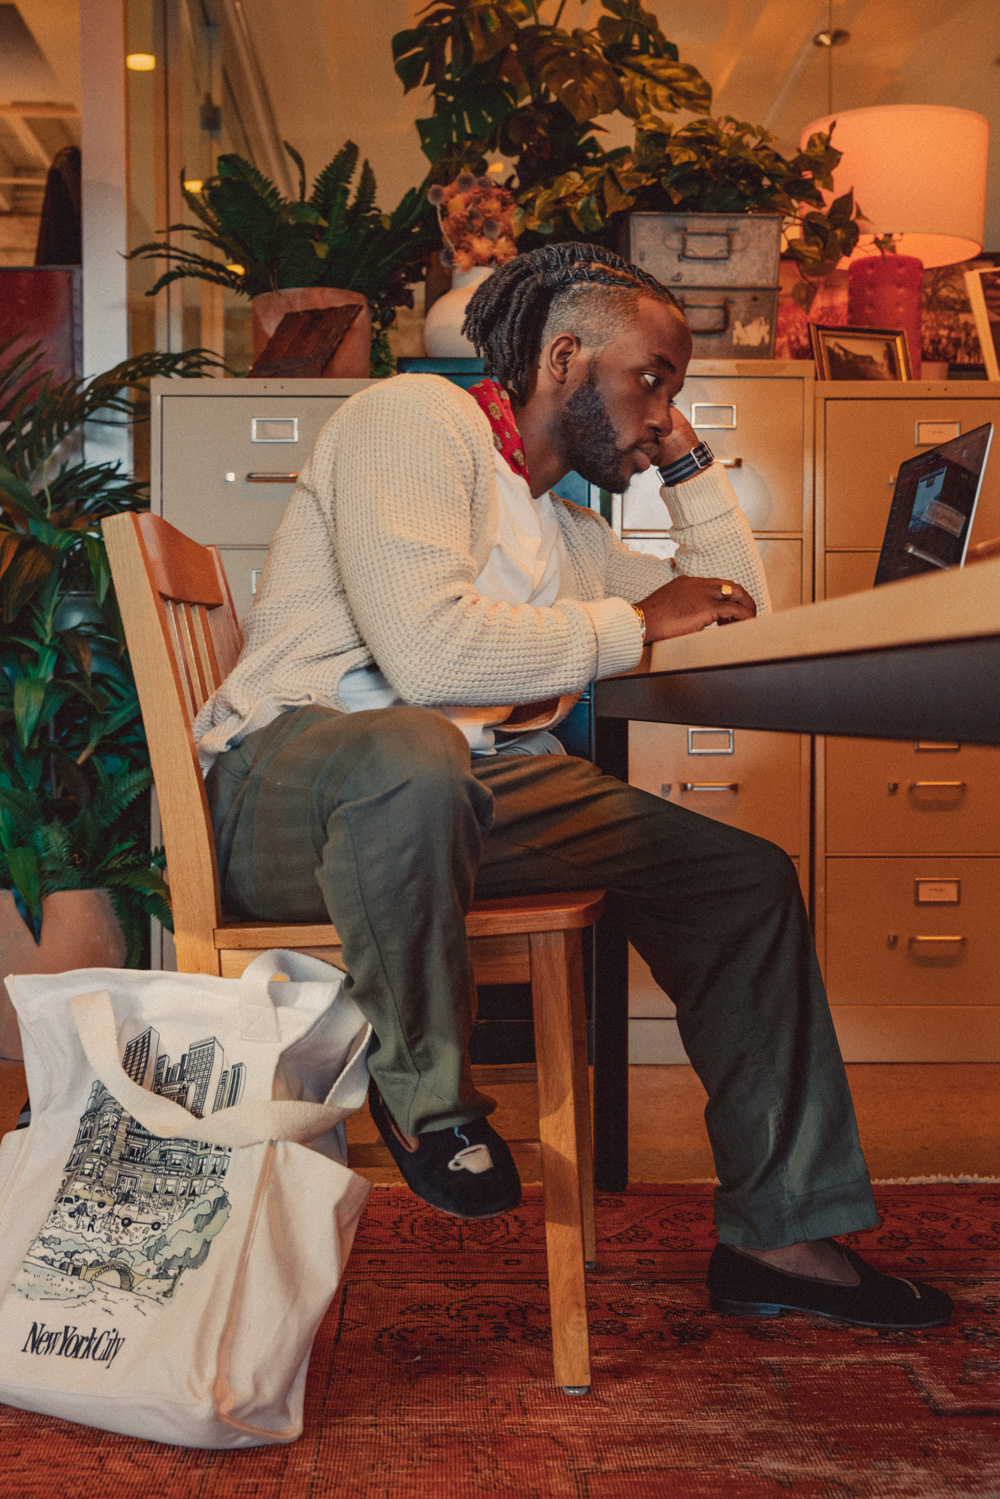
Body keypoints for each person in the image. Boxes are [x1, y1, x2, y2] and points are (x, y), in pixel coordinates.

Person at [195, 243, 951, 1330]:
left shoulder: (562, 528)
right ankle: (427, 1098)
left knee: (737, 879)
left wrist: (686, 464)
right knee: (413, 746)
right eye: (652, 379)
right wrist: (636, 622)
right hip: (300, 782)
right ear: (563, 357)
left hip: (468, 792)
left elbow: (745, 611)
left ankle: (781, 1235)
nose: (659, 411)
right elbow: (430, 658)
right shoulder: (414, 420)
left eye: (675, 393)